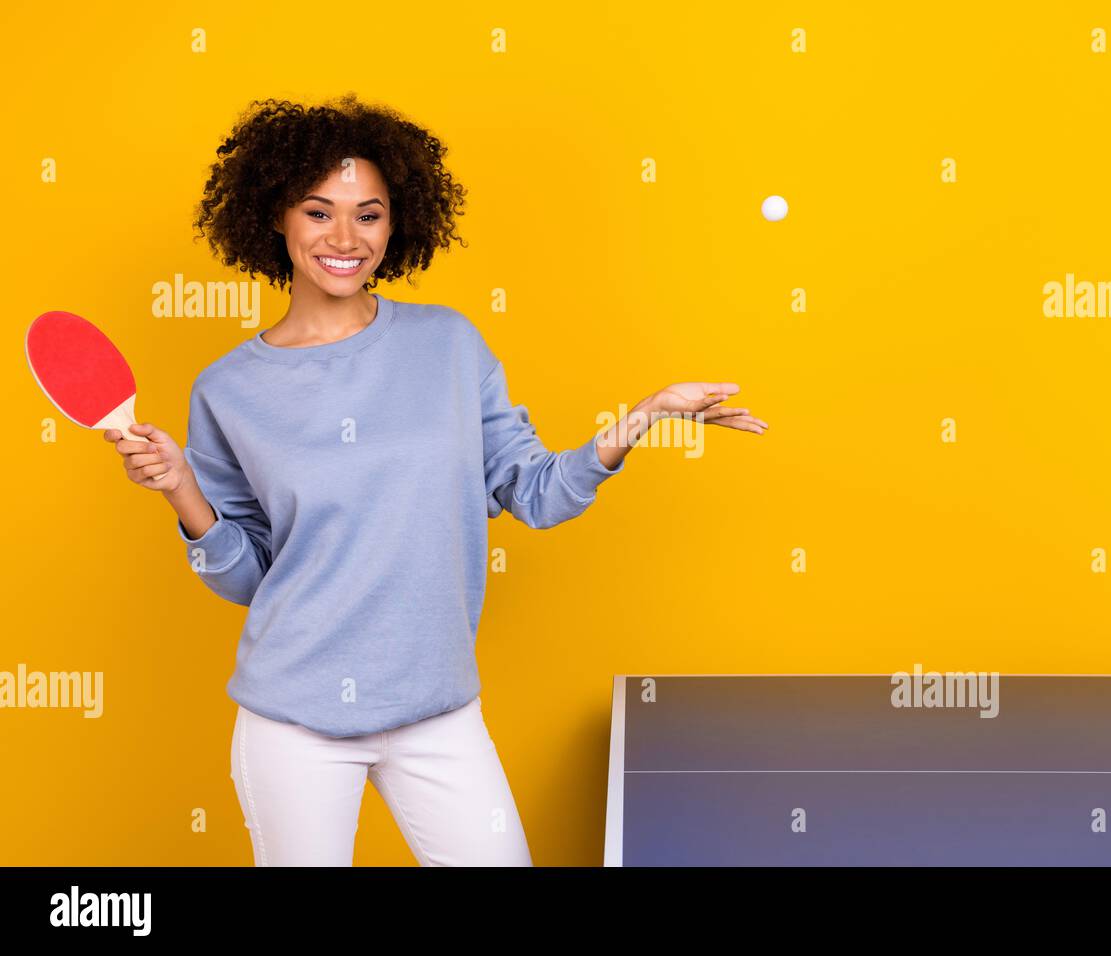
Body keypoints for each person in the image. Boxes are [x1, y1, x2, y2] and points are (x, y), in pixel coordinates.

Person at [104, 94, 768, 866]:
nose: (346, 238)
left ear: (398, 223)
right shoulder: (229, 390)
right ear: (275, 219)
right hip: (294, 722)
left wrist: (641, 419)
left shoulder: (449, 345)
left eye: (370, 214)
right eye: (319, 213)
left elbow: (537, 492)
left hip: (437, 711)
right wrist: (183, 489)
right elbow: (249, 577)